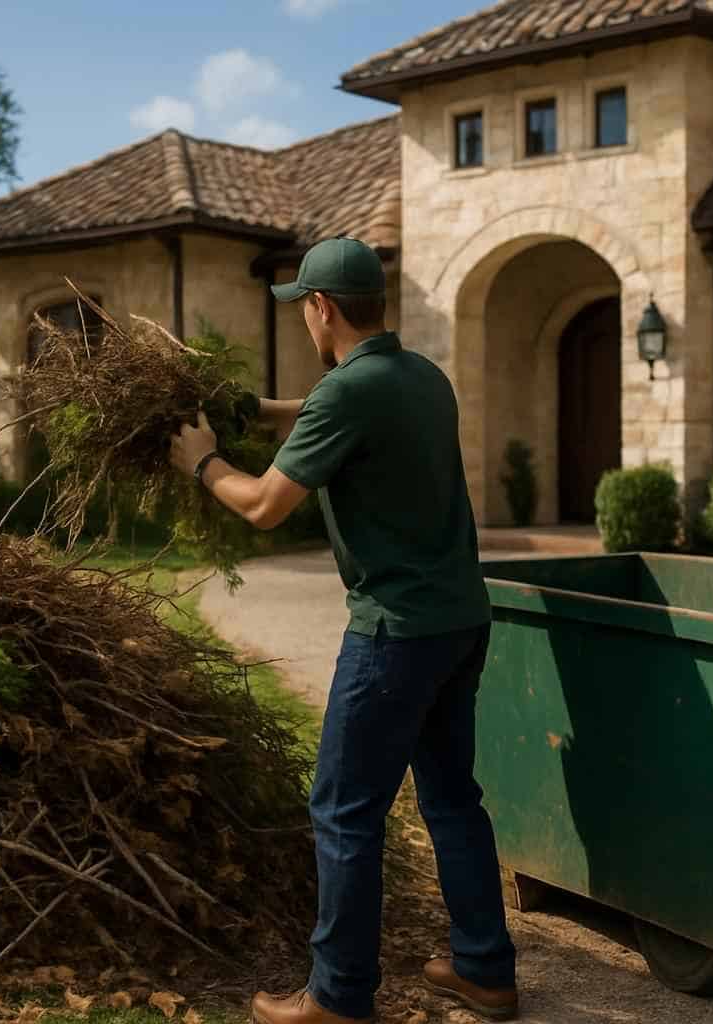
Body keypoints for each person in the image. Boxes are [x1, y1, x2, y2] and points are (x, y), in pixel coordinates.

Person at [168, 236, 519, 1024]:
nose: (303, 322)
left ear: (321, 309)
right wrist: (257, 410)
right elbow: (334, 408)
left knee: (344, 810)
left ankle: (337, 997)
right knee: (454, 799)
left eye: (303, 310)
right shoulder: (421, 377)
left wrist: (202, 460)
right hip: (462, 619)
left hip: (394, 633)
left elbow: (263, 505)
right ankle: (484, 969)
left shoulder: (349, 393)